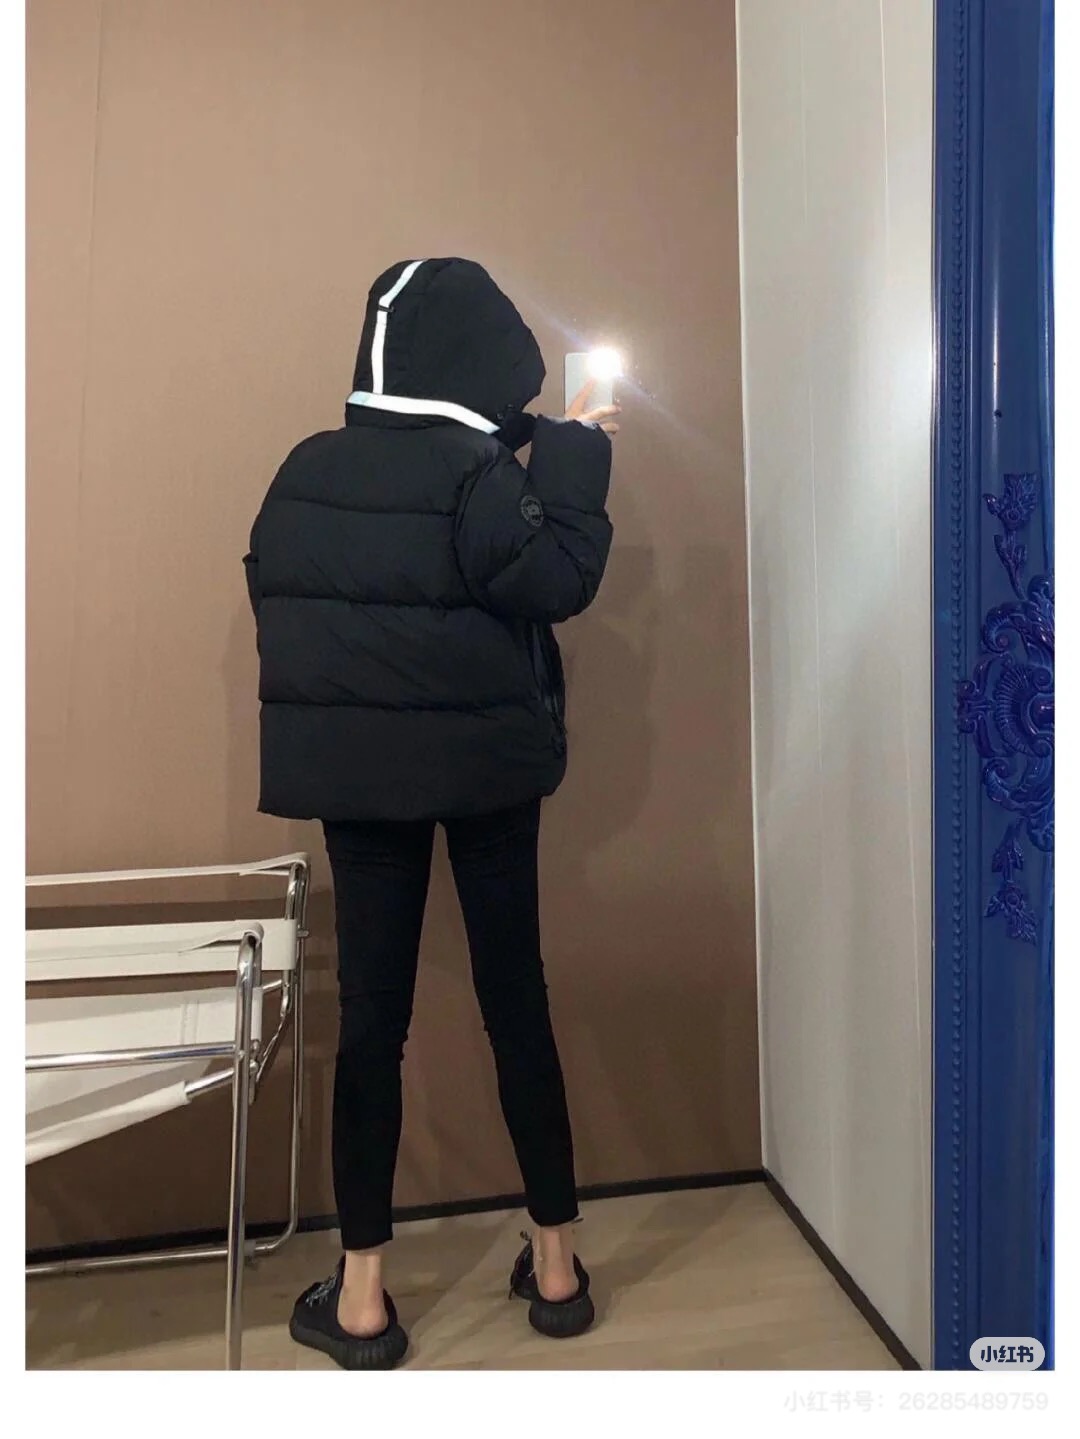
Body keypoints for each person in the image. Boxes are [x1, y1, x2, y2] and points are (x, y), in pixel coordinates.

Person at [244, 257, 618, 1370]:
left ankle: (362, 1297)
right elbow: (558, 579)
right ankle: (557, 1268)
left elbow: (275, 592)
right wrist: (579, 450)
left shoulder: (304, 469)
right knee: (517, 1003)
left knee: (372, 1020)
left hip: (358, 783)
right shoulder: (482, 478)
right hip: (490, 777)